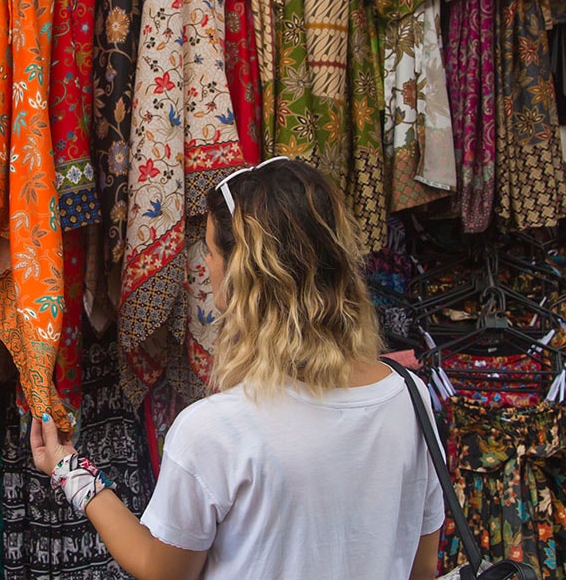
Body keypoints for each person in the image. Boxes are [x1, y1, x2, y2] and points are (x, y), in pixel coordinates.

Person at [31, 157, 445, 580]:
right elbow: (421, 567)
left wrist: (68, 468)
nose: (205, 264)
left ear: (243, 273)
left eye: (209, 250)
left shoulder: (215, 431)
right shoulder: (412, 399)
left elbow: (162, 570)